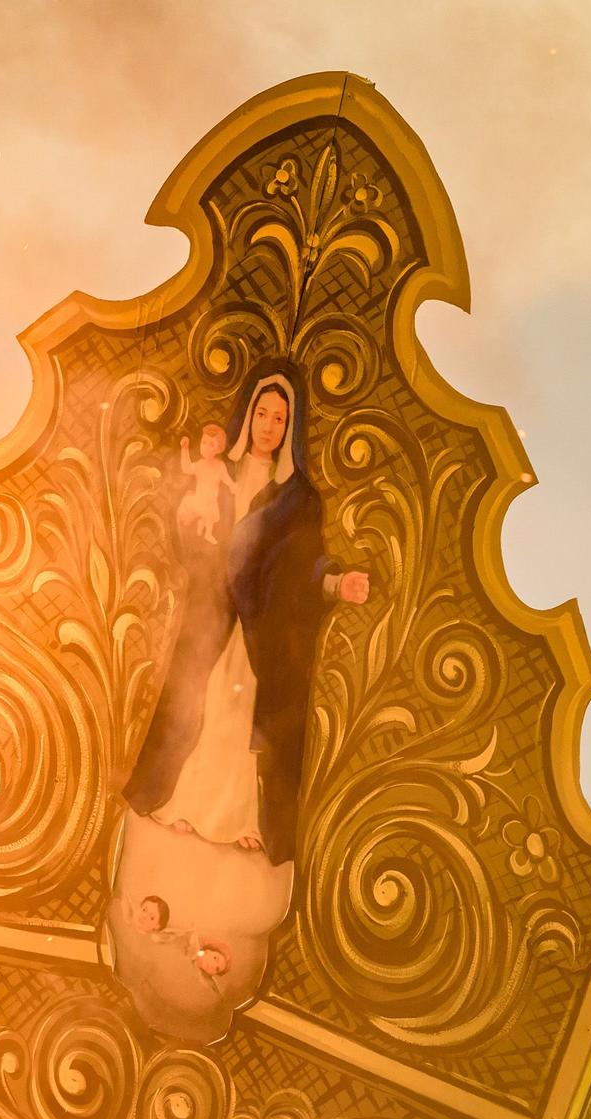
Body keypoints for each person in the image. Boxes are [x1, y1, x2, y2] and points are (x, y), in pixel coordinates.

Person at [109, 363, 371, 1042]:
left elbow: (305, 564)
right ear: (247, 413)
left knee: (238, 728)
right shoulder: (222, 473)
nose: (268, 425)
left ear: (292, 427)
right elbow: (188, 530)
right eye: (261, 412)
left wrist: (335, 583)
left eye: (280, 418)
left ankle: (234, 823)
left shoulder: (297, 498)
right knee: (195, 719)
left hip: (256, 638)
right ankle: (183, 808)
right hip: (212, 622)